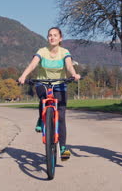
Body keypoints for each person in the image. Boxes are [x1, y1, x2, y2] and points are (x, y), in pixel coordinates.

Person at [18, 27, 81, 160]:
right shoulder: (42, 51)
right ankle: (42, 118)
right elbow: (33, 65)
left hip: (60, 84)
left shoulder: (64, 52)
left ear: (60, 38)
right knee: (43, 99)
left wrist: (74, 74)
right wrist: (23, 76)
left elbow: (69, 66)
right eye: (50, 35)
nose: (52, 38)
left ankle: (63, 147)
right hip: (43, 83)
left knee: (62, 117)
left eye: (55, 35)